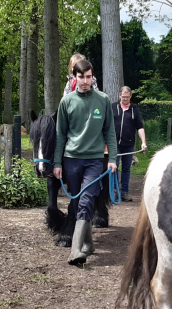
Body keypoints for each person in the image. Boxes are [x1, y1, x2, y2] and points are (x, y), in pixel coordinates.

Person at [54, 60, 117, 265]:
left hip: (95, 161)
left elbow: (109, 131)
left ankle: (75, 251)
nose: (85, 81)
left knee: (86, 200)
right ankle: (88, 244)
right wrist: (57, 163)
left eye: (89, 77)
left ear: (93, 77)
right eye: (81, 77)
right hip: (71, 160)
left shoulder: (103, 100)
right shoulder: (67, 102)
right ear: (74, 78)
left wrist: (113, 159)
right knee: (76, 201)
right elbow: (60, 135)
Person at [112, 86, 147, 202]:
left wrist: (143, 142)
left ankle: (124, 192)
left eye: (127, 97)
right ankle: (114, 190)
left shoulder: (134, 109)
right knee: (114, 167)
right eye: (123, 97)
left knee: (126, 168)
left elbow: (140, 127)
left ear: (130, 96)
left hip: (129, 144)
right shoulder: (113, 107)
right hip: (115, 144)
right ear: (120, 96)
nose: (125, 99)